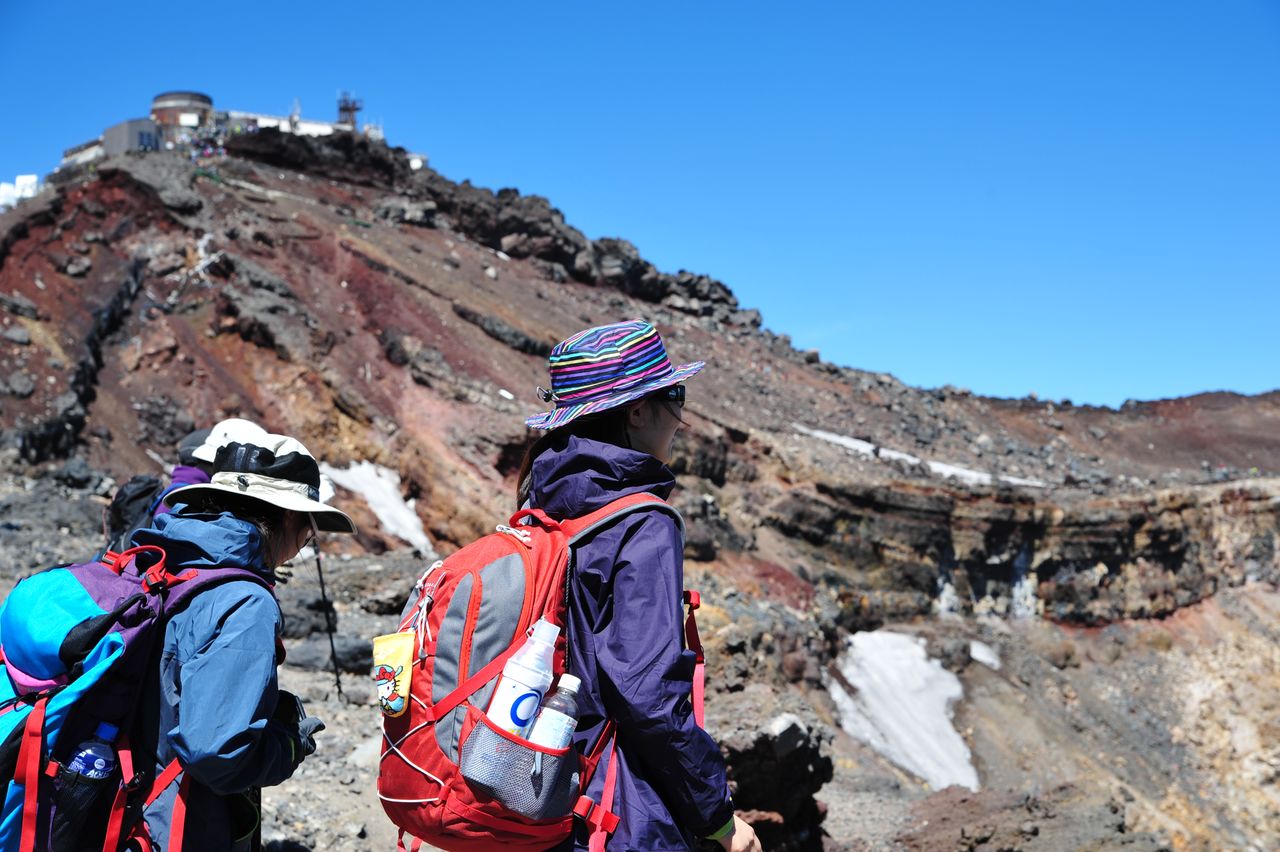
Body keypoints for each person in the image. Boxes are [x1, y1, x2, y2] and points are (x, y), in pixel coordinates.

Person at [519, 320, 761, 852]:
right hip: (618, 810)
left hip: (538, 788)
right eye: (674, 395)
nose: (680, 415)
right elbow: (648, 695)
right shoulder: (644, 522)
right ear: (636, 410)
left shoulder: (541, 506)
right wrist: (719, 818)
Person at [124, 432, 357, 851]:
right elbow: (217, 753)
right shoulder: (245, 603)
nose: (308, 538)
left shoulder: (158, 557)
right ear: (287, 517)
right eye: (310, 525)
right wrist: (288, 746)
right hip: (174, 823)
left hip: (120, 800)